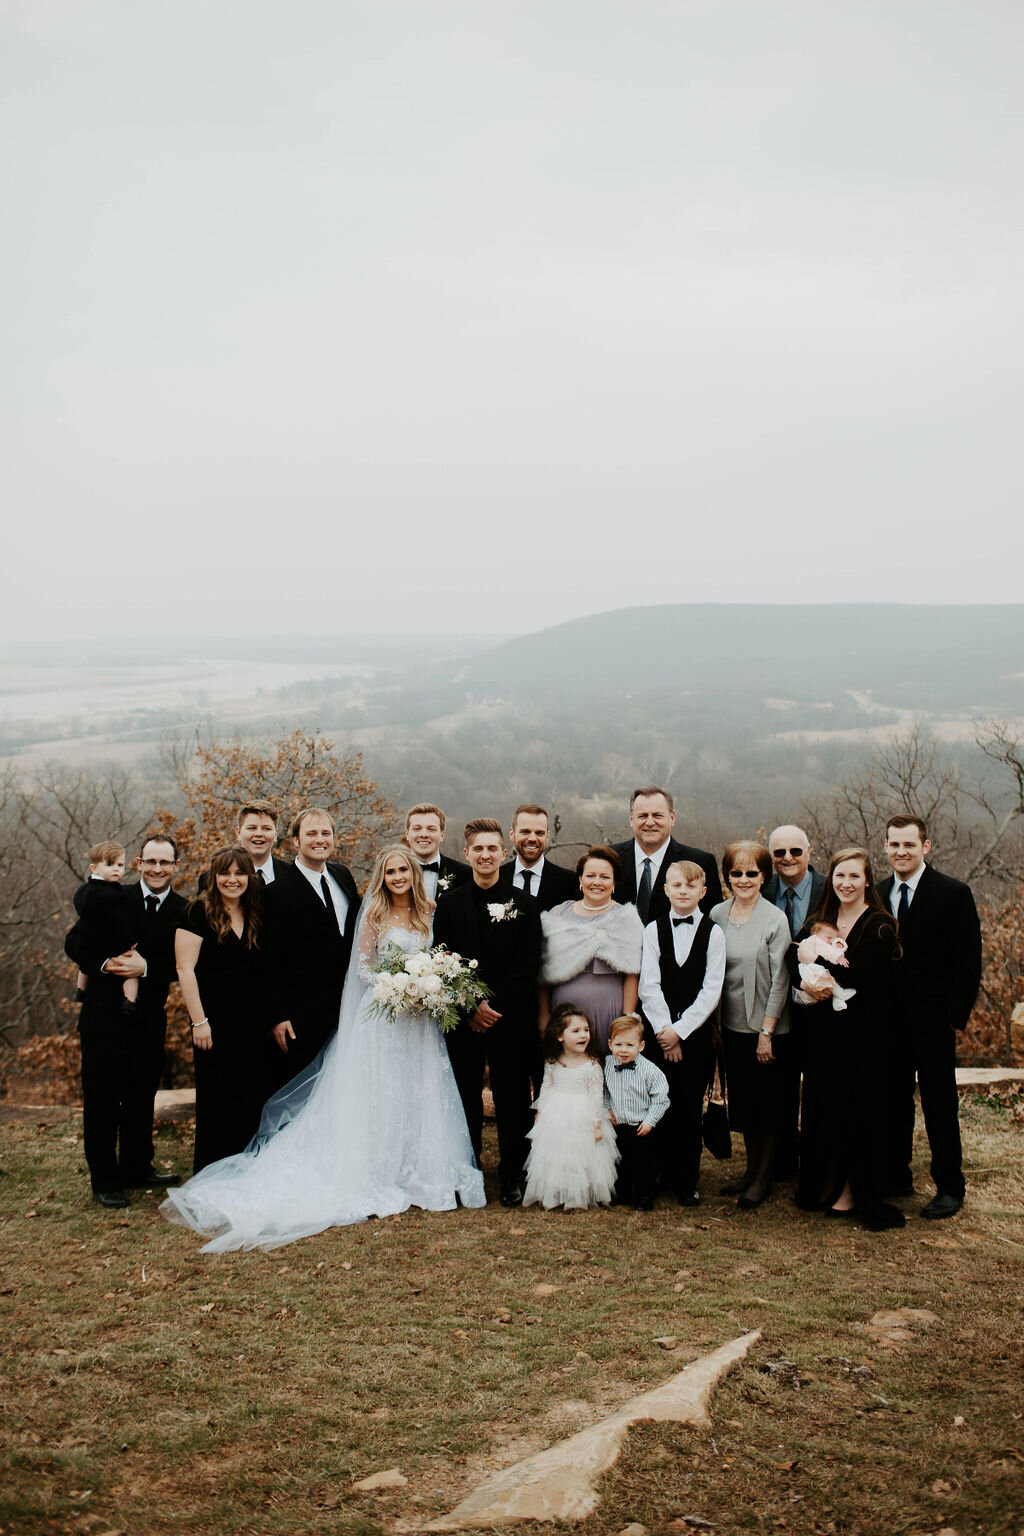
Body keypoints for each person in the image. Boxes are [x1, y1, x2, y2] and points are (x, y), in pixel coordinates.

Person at [162, 846, 485, 1250]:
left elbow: (441, 955)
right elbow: (362, 966)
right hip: (384, 1013)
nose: (398, 876)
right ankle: (376, 1168)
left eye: (404, 870)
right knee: (378, 1091)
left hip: (419, 1022)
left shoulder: (431, 909)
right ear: (381, 877)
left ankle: (421, 1168)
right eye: (390, 871)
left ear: (413, 874)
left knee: (417, 1089)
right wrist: (398, 984)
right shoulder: (374, 912)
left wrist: (430, 980)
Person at [65, 833, 188, 1206]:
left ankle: (137, 1166)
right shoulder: (114, 896)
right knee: (101, 1097)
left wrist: (147, 966)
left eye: (164, 862)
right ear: (138, 863)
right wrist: (104, 964)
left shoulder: (185, 910)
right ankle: (105, 1179)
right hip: (103, 1016)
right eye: (150, 861)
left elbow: (187, 964)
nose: (156, 869)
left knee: (140, 1095)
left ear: (175, 867)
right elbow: (75, 942)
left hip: (149, 1016)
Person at [793, 847, 905, 1232]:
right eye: (839, 876)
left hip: (866, 1036)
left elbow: (862, 977)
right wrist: (807, 977)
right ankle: (824, 1182)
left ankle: (853, 1191)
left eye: (854, 876)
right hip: (824, 1034)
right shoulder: (819, 920)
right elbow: (794, 966)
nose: (846, 883)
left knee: (859, 1113)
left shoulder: (880, 925)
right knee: (826, 1111)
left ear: (868, 880)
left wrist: (812, 956)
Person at [433, 818, 543, 1207]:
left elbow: (529, 964)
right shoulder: (447, 904)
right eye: (477, 849)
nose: (484, 855)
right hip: (463, 1021)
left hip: (509, 1018)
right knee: (465, 1097)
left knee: (513, 1098)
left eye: (491, 848)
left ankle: (513, 1173)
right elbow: (442, 959)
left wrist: (493, 1006)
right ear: (467, 854)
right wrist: (471, 1006)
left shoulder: (525, 905)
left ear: (504, 853)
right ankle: (469, 1169)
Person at [878, 815, 982, 1219]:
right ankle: (896, 1174)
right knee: (893, 1101)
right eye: (893, 845)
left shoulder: (953, 893)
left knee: (939, 1104)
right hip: (889, 1021)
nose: (901, 852)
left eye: (908, 844)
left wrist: (954, 1017)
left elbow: (968, 960)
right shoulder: (879, 892)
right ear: (885, 847)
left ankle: (950, 1186)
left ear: (926, 846)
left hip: (934, 1020)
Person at [175, 846, 271, 1174]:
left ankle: (245, 1170)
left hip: (252, 1022)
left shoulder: (256, 912)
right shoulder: (197, 912)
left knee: (250, 1095)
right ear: (214, 877)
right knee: (218, 1099)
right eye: (225, 873)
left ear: (250, 877)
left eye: (239, 873)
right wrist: (198, 1021)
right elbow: (184, 970)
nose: (232, 880)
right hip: (213, 1023)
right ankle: (212, 1170)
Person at [710, 840, 793, 1210]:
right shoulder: (716, 914)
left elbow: (781, 979)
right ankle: (749, 1170)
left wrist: (767, 1032)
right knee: (743, 1103)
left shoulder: (775, 919)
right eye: (736, 873)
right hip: (729, 1025)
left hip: (767, 1029)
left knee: (767, 1106)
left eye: (752, 873)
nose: (743, 879)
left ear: (764, 876)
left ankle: (763, 1178)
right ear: (727, 876)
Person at [637, 859, 726, 1206]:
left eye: (691, 886)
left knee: (689, 1108)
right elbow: (649, 984)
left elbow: (712, 989)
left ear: (703, 891)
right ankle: (656, 1174)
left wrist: (681, 1032)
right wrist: (664, 1030)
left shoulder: (714, 933)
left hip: (696, 1037)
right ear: (666, 889)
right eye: (677, 885)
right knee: (657, 1103)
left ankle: (687, 1179)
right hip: (658, 1035)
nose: (683, 891)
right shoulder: (652, 929)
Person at [262, 807, 361, 1090]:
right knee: (302, 1091)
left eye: (325, 833)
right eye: (311, 833)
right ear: (295, 840)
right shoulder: (276, 893)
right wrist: (278, 1016)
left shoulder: (343, 876)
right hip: (302, 1015)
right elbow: (271, 960)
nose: (320, 839)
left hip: (347, 1007)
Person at [538, 846, 644, 1055]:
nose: (597, 882)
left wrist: (627, 1020)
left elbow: (632, 974)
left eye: (605, 876)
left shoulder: (627, 917)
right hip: (564, 1014)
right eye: (590, 875)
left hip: (610, 1012)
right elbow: (543, 972)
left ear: (614, 882)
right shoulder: (559, 914)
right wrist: (543, 1015)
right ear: (580, 879)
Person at [523, 1005, 618, 1210]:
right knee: (557, 1152)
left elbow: (595, 1096)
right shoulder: (553, 1062)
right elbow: (546, 1087)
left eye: (586, 1030)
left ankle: (580, 1193)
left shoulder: (592, 1064)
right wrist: (541, 1112)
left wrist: (595, 1124)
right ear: (559, 1036)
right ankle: (556, 1192)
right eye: (576, 1031)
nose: (583, 1035)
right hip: (556, 1112)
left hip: (583, 1113)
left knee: (582, 1154)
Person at [611, 786, 722, 924]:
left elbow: (710, 922)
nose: (650, 822)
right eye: (642, 816)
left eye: (657, 815)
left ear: (672, 818)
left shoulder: (701, 862)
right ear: (631, 819)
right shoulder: (609, 859)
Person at [603, 1013, 670, 1211]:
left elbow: (661, 1099)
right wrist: (607, 1109)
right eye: (619, 1045)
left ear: (641, 1046)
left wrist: (650, 1121)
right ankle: (621, 1194)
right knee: (620, 1162)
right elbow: (603, 1090)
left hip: (642, 1126)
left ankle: (644, 1197)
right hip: (619, 1125)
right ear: (610, 1044)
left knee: (644, 1165)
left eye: (630, 1045)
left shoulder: (651, 1071)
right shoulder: (606, 1065)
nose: (623, 1050)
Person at [68, 841, 140, 1015]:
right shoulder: (112, 894)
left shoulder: (84, 890)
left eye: (120, 865)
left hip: (88, 940)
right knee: (130, 973)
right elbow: (119, 922)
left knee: (84, 966)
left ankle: (80, 989)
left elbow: (81, 909)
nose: (116, 869)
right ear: (94, 868)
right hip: (109, 943)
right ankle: (130, 1000)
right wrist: (130, 941)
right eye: (110, 865)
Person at [502, 803, 578, 911]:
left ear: (547, 836)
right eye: (525, 832)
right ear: (512, 834)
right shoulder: (496, 878)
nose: (532, 838)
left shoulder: (569, 882)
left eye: (539, 833)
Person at [764, 826, 827, 938]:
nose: (788, 857)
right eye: (779, 852)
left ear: (808, 852)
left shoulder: (829, 890)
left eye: (795, 851)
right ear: (771, 857)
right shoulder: (762, 890)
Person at [402, 802, 471, 900]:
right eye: (417, 828)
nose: (424, 834)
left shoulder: (465, 874)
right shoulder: (391, 874)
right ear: (407, 834)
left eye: (431, 829)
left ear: (442, 835)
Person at [796, 923, 856, 1010]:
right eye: (828, 938)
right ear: (815, 933)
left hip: (809, 972)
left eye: (834, 939)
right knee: (828, 980)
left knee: (828, 982)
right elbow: (828, 952)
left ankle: (837, 998)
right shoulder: (815, 941)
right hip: (811, 970)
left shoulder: (815, 941)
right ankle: (840, 994)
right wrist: (839, 957)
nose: (831, 941)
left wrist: (837, 945)